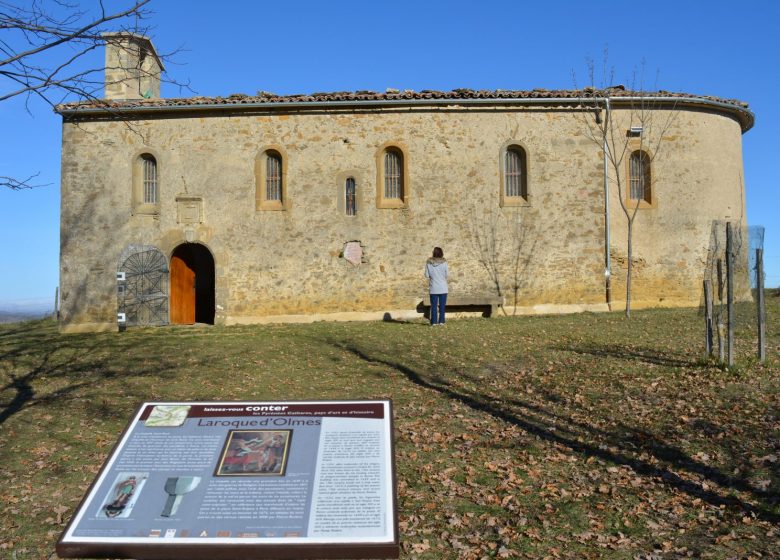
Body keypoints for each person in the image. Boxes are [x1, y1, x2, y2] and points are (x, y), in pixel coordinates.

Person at [424, 247, 449, 325]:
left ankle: (434, 322)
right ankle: (441, 321)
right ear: (441, 253)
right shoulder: (444, 263)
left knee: (434, 306)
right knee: (442, 306)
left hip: (433, 288)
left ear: (433, 253)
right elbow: (447, 274)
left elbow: (427, 275)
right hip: (443, 288)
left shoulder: (428, 263)